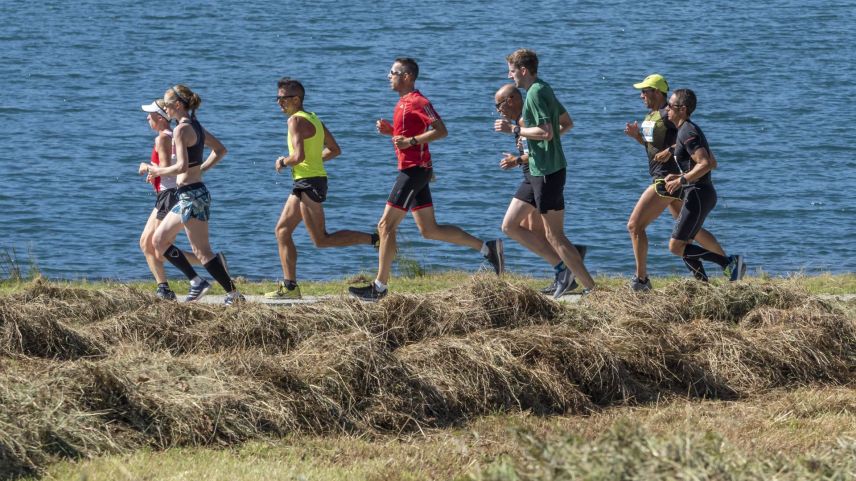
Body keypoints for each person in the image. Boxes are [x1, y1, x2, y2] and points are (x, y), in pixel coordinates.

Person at [349, 58, 504, 301]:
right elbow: (409, 135)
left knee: (385, 226)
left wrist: (411, 141)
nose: (388, 76)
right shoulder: (402, 102)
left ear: (408, 76)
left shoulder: (419, 101)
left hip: (413, 172)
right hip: (416, 170)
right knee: (430, 230)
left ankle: (379, 287)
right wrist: (392, 132)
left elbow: (441, 130)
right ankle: (488, 249)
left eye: (393, 72)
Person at [265, 78, 379, 299]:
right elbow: (335, 150)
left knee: (321, 239)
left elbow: (298, 156)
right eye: (277, 98)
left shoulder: (295, 121)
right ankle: (290, 287)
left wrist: (282, 161)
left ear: (296, 99)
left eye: (282, 99)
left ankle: (375, 239)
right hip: (307, 181)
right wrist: (313, 163)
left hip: (309, 183)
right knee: (282, 231)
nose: (278, 103)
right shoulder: (314, 118)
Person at [495, 49, 595, 293]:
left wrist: (515, 131)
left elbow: (546, 132)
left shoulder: (535, 94)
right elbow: (565, 124)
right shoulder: (542, 88)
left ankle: (590, 287)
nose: (510, 76)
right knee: (510, 225)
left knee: (555, 235)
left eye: (512, 71)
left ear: (523, 70)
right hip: (539, 169)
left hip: (547, 172)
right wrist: (533, 149)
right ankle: (565, 271)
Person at [624, 74, 726, 291]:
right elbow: (658, 149)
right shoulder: (655, 116)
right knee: (692, 232)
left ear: (658, 92)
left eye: (646, 90)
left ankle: (641, 280)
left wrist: (675, 164)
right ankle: (721, 272)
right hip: (673, 180)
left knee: (635, 225)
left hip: (668, 180)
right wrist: (639, 139)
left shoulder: (668, 116)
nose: (641, 95)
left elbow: (685, 139)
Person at [151, 84, 245, 304]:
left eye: (166, 105)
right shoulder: (195, 126)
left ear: (177, 105)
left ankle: (234, 294)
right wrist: (201, 169)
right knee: (159, 240)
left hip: (192, 197)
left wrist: (157, 170)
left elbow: (182, 167)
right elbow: (220, 149)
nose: (165, 109)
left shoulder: (181, 130)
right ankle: (196, 281)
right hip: (190, 194)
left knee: (202, 252)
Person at [662, 88, 745, 282]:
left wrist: (682, 180)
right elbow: (712, 162)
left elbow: (706, 164)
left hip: (698, 194)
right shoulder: (688, 130)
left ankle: (729, 264)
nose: (666, 109)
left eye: (670, 106)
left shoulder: (687, 131)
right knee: (686, 244)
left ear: (682, 109)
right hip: (700, 193)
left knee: (676, 246)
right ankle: (702, 284)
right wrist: (680, 174)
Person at [137, 99, 202, 300]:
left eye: (150, 114)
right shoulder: (170, 135)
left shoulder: (162, 138)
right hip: (167, 195)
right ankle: (164, 287)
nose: (147, 118)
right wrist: (153, 174)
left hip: (169, 195)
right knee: (149, 245)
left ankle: (209, 263)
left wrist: (147, 167)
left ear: (159, 118)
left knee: (157, 246)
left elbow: (165, 169)